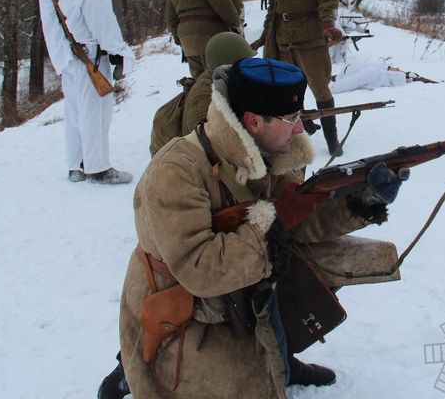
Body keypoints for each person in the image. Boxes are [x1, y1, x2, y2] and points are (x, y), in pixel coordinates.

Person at [117, 57, 402, 398]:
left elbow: (298, 220)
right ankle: (127, 373)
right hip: (188, 312)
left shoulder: (267, 153)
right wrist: (275, 220)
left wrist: (364, 198)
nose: (300, 129)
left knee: (302, 289)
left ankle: (281, 357)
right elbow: (200, 270)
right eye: (291, 119)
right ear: (252, 121)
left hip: (242, 291)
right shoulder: (174, 172)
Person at [38, 0, 135, 185]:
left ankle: (76, 165)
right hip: (90, 55)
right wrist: (117, 49)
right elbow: (102, 21)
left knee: (74, 112)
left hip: (67, 57)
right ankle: (98, 167)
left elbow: (50, 24)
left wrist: (61, 54)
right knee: (96, 111)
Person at [252, 0, 346, 157]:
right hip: (284, 42)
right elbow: (272, 10)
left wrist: (328, 23)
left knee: (320, 90)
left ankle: (333, 143)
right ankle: (303, 129)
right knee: (289, 91)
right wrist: (263, 39)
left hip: (309, 40)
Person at [148, 31, 255, 157]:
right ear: (230, 65)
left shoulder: (224, 80)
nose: (252, 69)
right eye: (247, 64)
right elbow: (212, 150)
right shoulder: (204, 101)